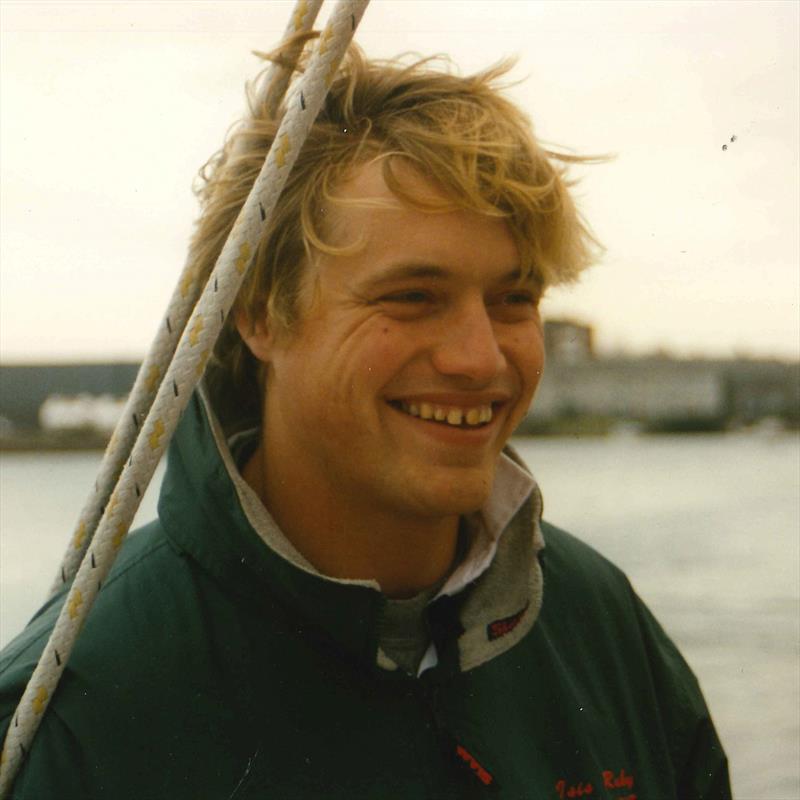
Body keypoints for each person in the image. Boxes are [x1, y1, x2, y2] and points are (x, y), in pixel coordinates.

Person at [0, 40, 730, 799]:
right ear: (259, 314)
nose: (481, 360)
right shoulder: (82, 713)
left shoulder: (600, 626)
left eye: (514, 299)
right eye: (413, 297)